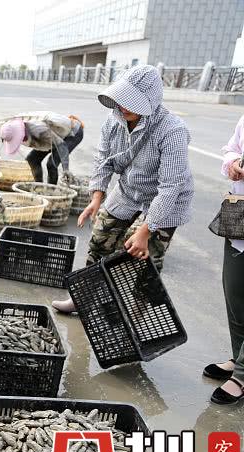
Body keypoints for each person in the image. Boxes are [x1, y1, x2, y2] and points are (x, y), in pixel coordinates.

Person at [52, 65, 194, 314]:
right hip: (129, 190)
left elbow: (170, 187)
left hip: (165, 200)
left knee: (147, 257)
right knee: (100, 238)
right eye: (122, 99)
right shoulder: (114, 120)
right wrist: (96, 197)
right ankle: (83, 298)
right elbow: (103, 159)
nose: (124, 106)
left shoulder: (173, 130)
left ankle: (136, 313)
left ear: (150, 101)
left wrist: (145, 231)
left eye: (132, 102)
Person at [203, 114, 244, 405]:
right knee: (235, 294)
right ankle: (238, 356)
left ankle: (242, 373)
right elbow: (231, 149)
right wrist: (233, 163)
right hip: (240, 217)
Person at [0, 112, 84, 184]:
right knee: (32, 159)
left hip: (72, 133)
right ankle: (39, 187)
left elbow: (61, 145)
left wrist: (66, 169)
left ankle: (51, 191)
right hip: (52, 137)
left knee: (51, 164)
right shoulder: (18, 128)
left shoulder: (40, 130)